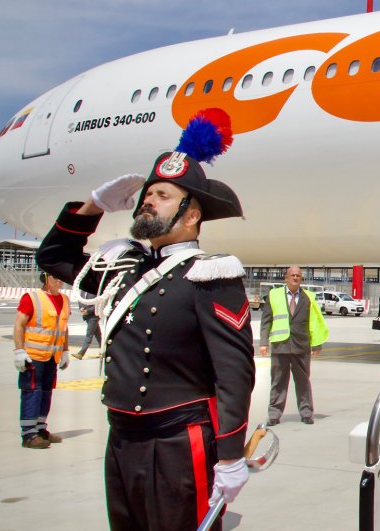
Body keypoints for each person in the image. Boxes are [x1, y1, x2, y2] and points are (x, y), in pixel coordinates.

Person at [35, 108, 254, 530]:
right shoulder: (122, 267)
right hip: (122, 437)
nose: (149, 200)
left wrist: (229, 454)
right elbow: (53, 258)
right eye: (148, 193)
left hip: (178, 443)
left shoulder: (210, 274)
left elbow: (234, 373)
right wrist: (92, 205)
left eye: (164, 196)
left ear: (192, 216)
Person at [260, 266, 329, 426]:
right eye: (292, 275)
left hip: (301, 346)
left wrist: (316, 344)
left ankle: (306, 413)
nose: (295, 278)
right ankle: (274, 415)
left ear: (301, 279)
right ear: (286, 278)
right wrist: (264, 342)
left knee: (303, 382)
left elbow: (314, 322)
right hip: (280, 346)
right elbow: (266, 321)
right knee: (278, 382)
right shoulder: (274, 295)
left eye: (298, 276)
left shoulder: (308, 297)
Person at [13, 271, 70, 449]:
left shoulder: (65, 300)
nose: (60, 281)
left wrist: (65, 351)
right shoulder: (32, 298)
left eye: (61, 278)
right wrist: (19, 351)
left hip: (52, 356)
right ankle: (29, 435)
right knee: (32, 392)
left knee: (46, 392)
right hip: (33, 356)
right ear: (45, 279)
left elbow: (64, 328)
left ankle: (40, 428)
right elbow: (19, 324)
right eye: (55, 277)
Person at [76, 286, 102, 359]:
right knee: (98, 335)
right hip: (86, 315)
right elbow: (80, 300)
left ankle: (81, 353)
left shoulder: (96, 290)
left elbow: (98, 303)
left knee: (89, 334)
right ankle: (105, 350)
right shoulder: (82, 291)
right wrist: (81, 308)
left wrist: (88, 311)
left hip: (93, 316)